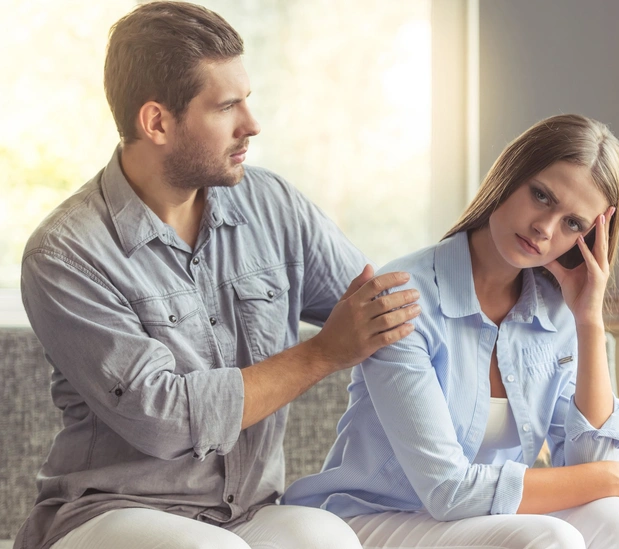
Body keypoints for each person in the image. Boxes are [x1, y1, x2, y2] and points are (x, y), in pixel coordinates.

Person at [15, 2, 422, 549]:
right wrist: (323, 353)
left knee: (328, 538)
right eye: (227, 106)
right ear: (157, 122)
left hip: (246, 510)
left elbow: (385, 312)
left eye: (246, 99)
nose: (251, 125)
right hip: (109, 512)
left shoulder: (273, 204)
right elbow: (164, 418)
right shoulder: (67, 254)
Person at [283, 114, 619, 549]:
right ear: (510, 175)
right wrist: (612, 477)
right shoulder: (404, 299)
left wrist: (589, 321)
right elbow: (447, 490)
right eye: (541, 196)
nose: (545, 229)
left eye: (573, 224)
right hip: (374, 517)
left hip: (480, 521)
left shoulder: (558, 312)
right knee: (553, 537)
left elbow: (590, 463)